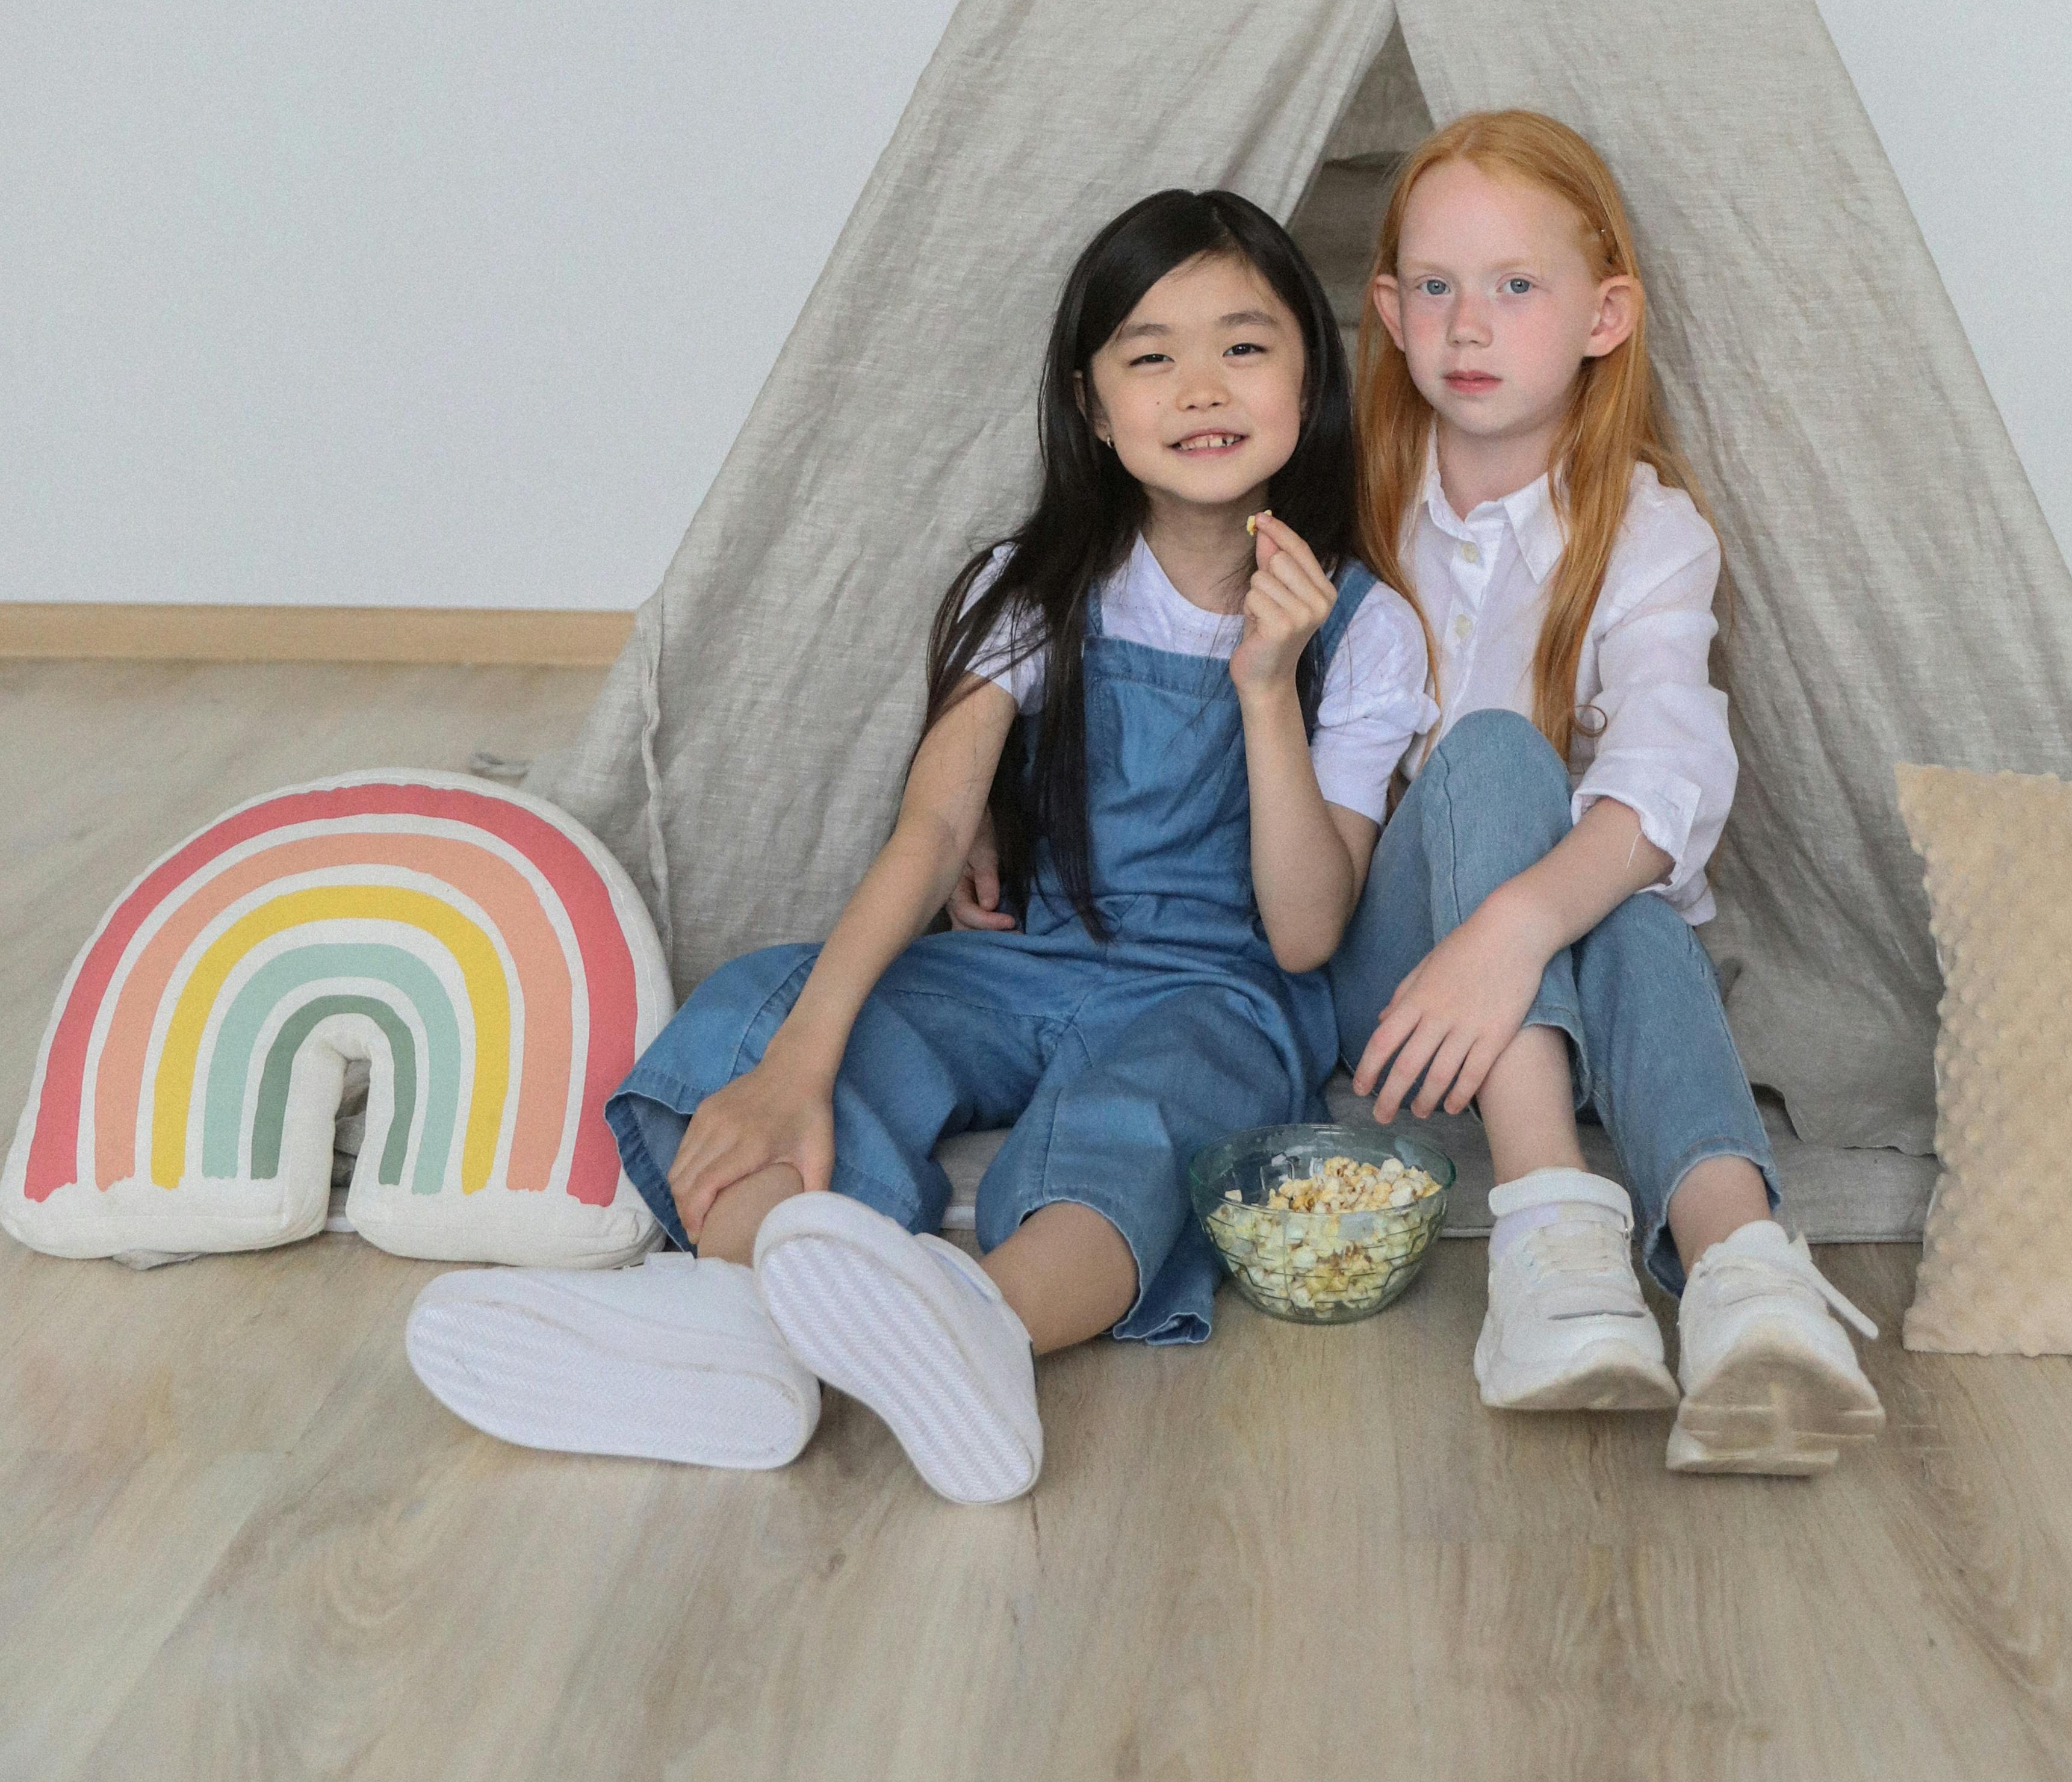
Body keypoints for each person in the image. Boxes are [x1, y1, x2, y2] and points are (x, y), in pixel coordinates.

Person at [403, 187, 1433, 1503]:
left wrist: (1264, 688)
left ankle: (976, 1329)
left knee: (1147, 1123)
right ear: (1091, 407)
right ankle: (746, 1326)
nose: (1197, 388)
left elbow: (1303, 931)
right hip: (1034, 958)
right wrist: (798, 1062)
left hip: (1220, 994)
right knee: (776, 1004)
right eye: (1148, 354)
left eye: (1243, 344)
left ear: (1310, 375)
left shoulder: (1366, 627)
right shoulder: (1033, 587)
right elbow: (936, 823)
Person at [1335, 108, 1885, 1478]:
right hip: (1381, 976)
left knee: (1633, 910)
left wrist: (1514, 928)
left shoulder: (1642, 528)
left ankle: (1739, 1273)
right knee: (1493, 757)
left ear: (1602, 315)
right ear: (1391, 311)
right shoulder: (1356, 503)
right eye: (1439, 288)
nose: (1471, 326)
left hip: (1521, 963)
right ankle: (1548, 1228)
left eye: (1516, 287)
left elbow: (1668, 770)